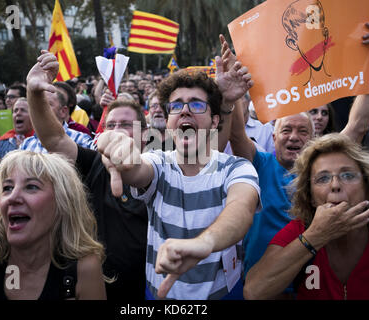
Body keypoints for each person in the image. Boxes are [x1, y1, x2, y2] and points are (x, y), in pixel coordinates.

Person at [224, 23, 369, 285]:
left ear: (313, 139)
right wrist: (231, 93)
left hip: (312, 284)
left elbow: (357, 125)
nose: (294, 137)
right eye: (286, 130)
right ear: (273, 137)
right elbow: (237, 134)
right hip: (263, 284)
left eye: (302, 131)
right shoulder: (259, 164)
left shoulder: (324, 166)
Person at [97, 56, 260, 299]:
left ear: (215, 121)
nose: (184, 110)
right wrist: (118, 151)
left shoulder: (237, 168)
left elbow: (241, 210)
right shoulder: (158, 163)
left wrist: (205, 243)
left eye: (196, 105)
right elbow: (137, 169)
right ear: (169, 121)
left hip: (224, 293)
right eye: (176, 106)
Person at [25, 50, 148, 300]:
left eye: (125, 124)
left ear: (145, 135)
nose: (116, 131)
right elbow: (55, 139)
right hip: (99, 288)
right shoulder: (94, 165)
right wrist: (34, 93)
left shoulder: (165, 169)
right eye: (110, 125)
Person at [0, 150, 107, 300]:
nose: (12, 197)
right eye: (7, 188)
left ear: (62, 201)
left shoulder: (82, 268)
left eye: (31, 187)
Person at [244, 133, 369, 299]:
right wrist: (315, 237)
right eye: (323, 178)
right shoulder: (299, 231)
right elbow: (254, 291)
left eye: (348, 175)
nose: (335, 185)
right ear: (310, 196)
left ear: (368, 188)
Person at [19, 87, 96, 153]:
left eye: (46, 104)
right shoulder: (26, 144)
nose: (40, 108)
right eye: (37, 105)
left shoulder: (80, 140)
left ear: (63, 111)